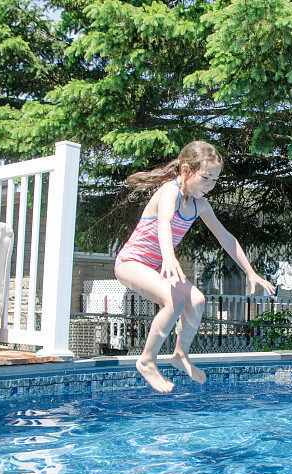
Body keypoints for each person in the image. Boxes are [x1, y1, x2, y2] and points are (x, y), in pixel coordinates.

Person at [115, 141, 275, 393]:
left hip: (158, 265)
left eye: (214, 180)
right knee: (176, 302)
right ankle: (146, 360)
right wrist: (169, 256)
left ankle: (180, 354)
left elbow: (226, 238)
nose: (210, 185)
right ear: (186, 170)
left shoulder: (200, 205)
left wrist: (250, 272)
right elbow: (165, 222)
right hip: (131, 263)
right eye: (206, 178)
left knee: (197, 301)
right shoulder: (169, 192)